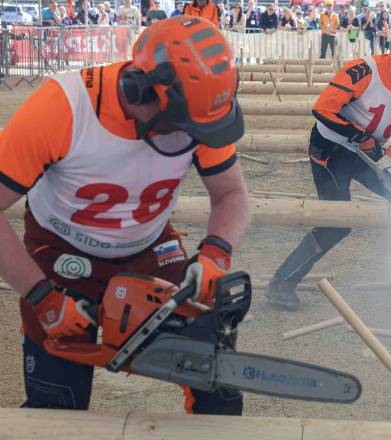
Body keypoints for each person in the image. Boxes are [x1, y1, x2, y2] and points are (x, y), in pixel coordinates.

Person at [0, 16, 249, 415]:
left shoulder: (199, 110)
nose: (184, 137)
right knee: (56, 406)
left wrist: (216, 253)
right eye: (176, 124)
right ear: (138, 88)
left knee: (217, 382)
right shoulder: (63, 107)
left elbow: (232, 194)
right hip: (59, 250)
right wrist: (39, 294)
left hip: (150, 245)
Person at [262, 18, 391, 311]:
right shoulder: (363, 71)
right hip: (331, 150)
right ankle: (281, 282)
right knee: (337, 223)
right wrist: (359, 136)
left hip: (367, 151)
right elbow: (323, 108)